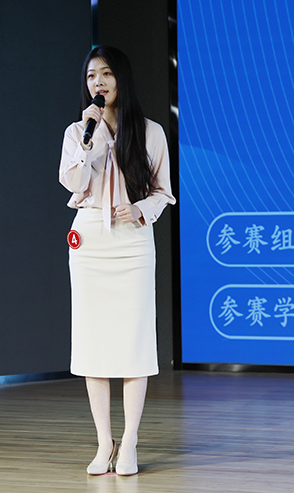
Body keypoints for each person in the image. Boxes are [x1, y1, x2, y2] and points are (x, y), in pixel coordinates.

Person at [59, 46, 175, 475]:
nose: (98, 82)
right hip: (90, 240)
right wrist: (88, 141)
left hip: (132, 241)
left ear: (121, 79)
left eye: (106, 74)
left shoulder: (150, 132)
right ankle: (103, 442)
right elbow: (72, 181)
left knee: (132, 343)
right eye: (92, 76)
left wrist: (140, 209)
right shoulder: (78, 131)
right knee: (93, 343)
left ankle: (130, 442)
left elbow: (163, 192)